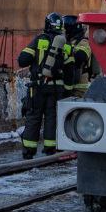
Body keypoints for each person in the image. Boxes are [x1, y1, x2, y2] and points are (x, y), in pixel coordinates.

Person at [17, 13, 71, 158]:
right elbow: (71, 68)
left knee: (34, 116)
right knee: (52, 117)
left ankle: (29, 150)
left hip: (38, 86)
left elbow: (22, 60)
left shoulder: (40, 40)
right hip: (57, 88)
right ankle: (50, 149)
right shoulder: (66, 44)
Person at [62, 14, 98, 98]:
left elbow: (80, 58)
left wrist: (67, 47)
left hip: (79, 89)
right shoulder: (66, 41)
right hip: (65, 86)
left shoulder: (84, 42)